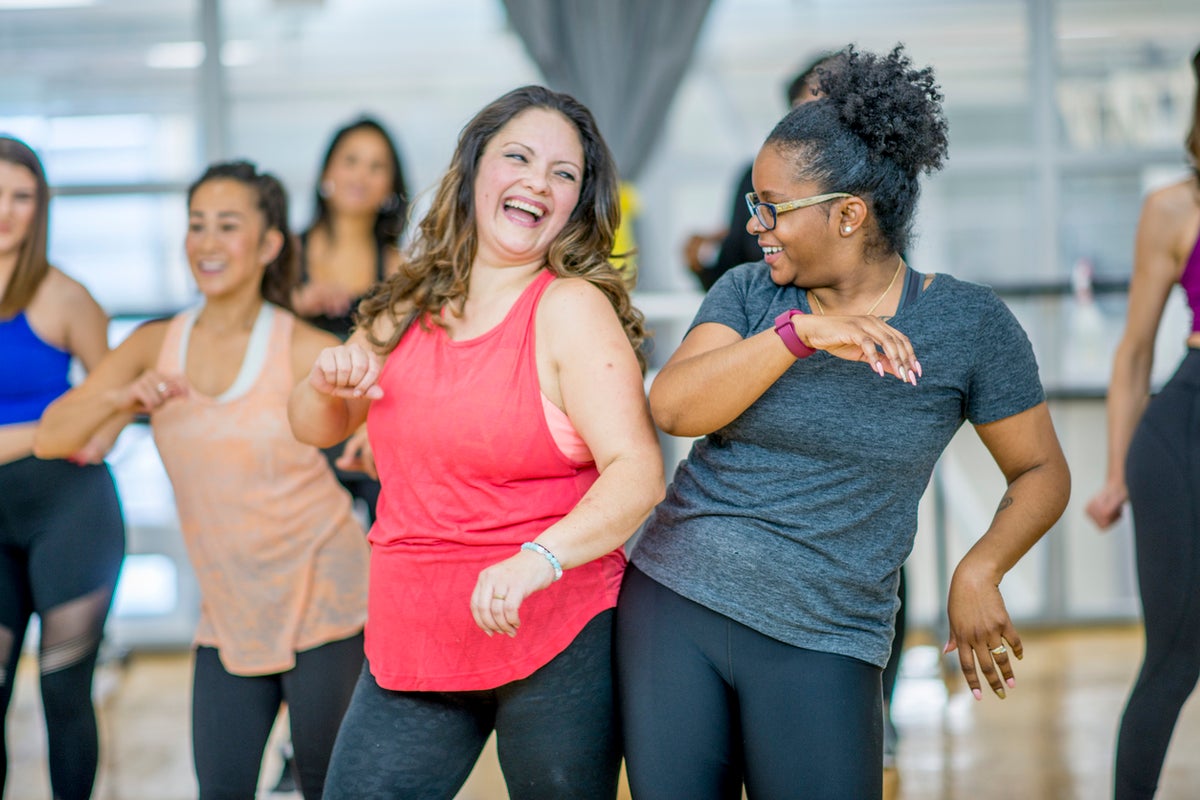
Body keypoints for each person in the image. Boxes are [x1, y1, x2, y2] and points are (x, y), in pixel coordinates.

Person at [617, 45, 1071, 799]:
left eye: (772, 207)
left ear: (849, 214)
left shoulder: (968, 324)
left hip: (828, 635)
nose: (756, 225)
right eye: (752, 206)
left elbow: (1041, 470)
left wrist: (981, 566)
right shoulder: (751, 294)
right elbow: (673, 405)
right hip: (677, 602)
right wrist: (799, 335)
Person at [288, 84, 664, 800]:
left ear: (578, 203)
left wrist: (538, 559)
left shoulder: (570, 308)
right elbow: (317, 427)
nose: (537, 182)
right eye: (518, 157)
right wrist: (323, 380)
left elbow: (637, 471)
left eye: (564, 173)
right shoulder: (409, 303)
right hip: (416, 634)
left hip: (553, 628)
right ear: (473, 171)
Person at [34, 160, 370, 800]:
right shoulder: (154, 343)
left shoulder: (299, 345)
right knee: (220, 788)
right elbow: (53, 437)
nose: (207, 243)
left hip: (327, 595)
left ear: (269, 244)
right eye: (196, 225)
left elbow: (374, 428)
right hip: (229, 613)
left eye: (227, 225)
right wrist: (121, 396)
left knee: (329, 787)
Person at [1085, 46, 1200, 800]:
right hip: (1185, 435)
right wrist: (1116, 470)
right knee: (1175, 654)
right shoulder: (1174, 207)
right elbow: (1131, 353)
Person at [0, 136, 125, 800]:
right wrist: (48, 430)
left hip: (70, 513)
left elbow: (113, 404)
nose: (6, 212)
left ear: (40, 208)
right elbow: (70, 422)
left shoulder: (65, 296)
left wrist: (94, 428)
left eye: (22, 197)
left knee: (64, 694)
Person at [293, 114, 409, 525]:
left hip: (369, 430)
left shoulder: (400, 267)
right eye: (352, 161)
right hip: (297, 429)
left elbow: (409, 360)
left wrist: (374, 427)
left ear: (390, 187)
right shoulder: (284, 257)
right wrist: (295, 304)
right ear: (327, 170)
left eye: (377, 166)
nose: (361, 175)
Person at [682, 52, 839, 292]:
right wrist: (698, 264)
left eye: (820, 111)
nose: (756, 226)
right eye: (798, 110)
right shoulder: (754, 179)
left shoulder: (871, 186)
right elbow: (730, 272)